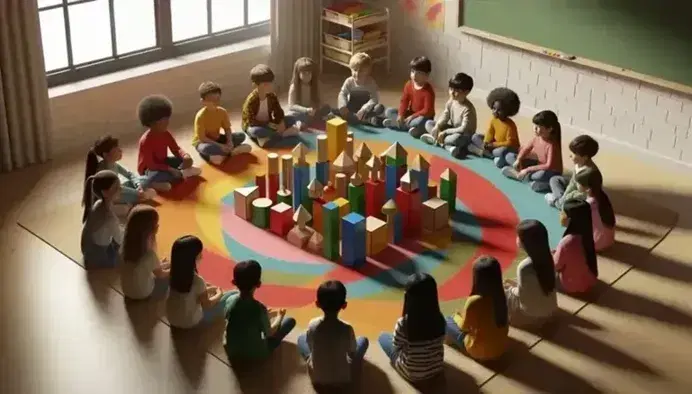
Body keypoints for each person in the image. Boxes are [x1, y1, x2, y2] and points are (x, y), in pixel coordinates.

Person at [297, 280, 369, 390]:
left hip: (317, 378)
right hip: (342, 379)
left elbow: (311, 346)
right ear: (344, 305)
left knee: (301, 338)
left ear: (317, 304)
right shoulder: (347, 328)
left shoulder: (312, 324)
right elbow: (352, 352)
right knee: (363, 340)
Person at [378, 273, 446, 382]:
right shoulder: (440, 319)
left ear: (407, 297)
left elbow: (396, 346)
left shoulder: (404, 323)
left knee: (383, 337)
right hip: (436, 368)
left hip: (412, 373)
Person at [224, 260, 296, 361]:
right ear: (258, 284)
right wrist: (280, 316)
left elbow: (236, 318)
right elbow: (269, 333)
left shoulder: (229, 300)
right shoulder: (259, 308)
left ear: (234, 282)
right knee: (290, 321)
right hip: (255, 353)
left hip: (232, 350)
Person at [446, 256, 509, 361]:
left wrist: (457, 316)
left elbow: (464, 327)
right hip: (501, 347)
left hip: (479, 351)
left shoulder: (474, 301)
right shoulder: (502, 295)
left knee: (447, 321)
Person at [166, 235, 235, 329]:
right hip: (190, 322)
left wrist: (207, 289)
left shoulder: (172, 273)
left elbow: (189, 292)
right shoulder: (198, 281)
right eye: (199, 254)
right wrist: (219, 293)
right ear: (193, 258)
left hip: (171, 318)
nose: (202, 256)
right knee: (230, 296)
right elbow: (207, 304)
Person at [137, 95, 201, 192]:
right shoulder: (145, 141)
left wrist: (185, 156)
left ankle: (180, 173)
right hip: (149, 170)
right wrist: (171, 169)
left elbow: (176, 149)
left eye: (167, 119)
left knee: (187, 161)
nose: (167, 122)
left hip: (163, 162)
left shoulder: (165, 133)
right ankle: (153, 183)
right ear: (152, 123)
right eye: (163, 121)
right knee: (168, 177)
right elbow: (152, 165)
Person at [503, 220, 558, 326]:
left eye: (518, 236)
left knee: (503, 292)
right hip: (550, 308)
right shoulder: (548, 257)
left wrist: (511, 288)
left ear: (525, 242)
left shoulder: (524, 267)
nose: (517, 238)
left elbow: (522, 294)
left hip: (530, 314)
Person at [84, 135, 156, 207]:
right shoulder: (105, 170)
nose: (120, 151)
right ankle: (126, 204)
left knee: (145, 179)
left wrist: (138, 185)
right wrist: (137, 193)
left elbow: (129, 174)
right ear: (106, 155)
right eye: (116, 150)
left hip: (119, 189)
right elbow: (117, 188)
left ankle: (132, 201)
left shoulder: (113, 164)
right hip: (114, 195)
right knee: (151, 193)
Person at [501, 110, 563, 193]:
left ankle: (523, 176)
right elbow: (525, 149)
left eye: (538, 126)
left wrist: (527, 170)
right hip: (538, 165)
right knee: (510, 156)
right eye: (534, 125)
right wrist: (518, 159)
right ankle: (523, 176)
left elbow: (548, 166)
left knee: (539, 175)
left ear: (549, 129)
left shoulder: (551, 145)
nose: (535, 128)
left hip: (550, 172)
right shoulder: (536, 139)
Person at [419, 72, 477, 158]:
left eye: (457, 91)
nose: (452, 93)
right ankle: (445, 145)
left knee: (455, 139)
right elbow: (445, 116)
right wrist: (437, 126)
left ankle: (438, 141)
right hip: (452, 129)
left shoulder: (467, 109)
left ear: (466, 92)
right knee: (429, 124)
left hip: (463, 135)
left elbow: (463, 129)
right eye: (451, 89)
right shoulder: (451, 101)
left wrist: (445, 132)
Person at [193, 81, 252, 165]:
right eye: (211, 100)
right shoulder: (200, 116)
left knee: (240, 136)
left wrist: (229, 141)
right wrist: (220, 146)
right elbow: (202, 138)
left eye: (217, 100)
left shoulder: (222, 112)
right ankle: (230, 152)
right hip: (203, 142)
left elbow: (227, 129)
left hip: (217, 138)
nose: (215, 103)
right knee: (206, 148)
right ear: (203, 101)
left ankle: (224, 154)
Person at [120, 205, 170, 300]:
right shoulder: (149, 254)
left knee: (153, 268)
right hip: (143, 294)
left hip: (126, 291)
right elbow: (161, 274)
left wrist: (162, 264)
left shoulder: (126, 247)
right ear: (152, 229)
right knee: (169, 279)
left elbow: (148, 267)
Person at [242, 64, 298, 148]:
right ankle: (281, 134)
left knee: (292, 118)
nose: (269, 86)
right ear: (255, 85)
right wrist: (271, 125)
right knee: (256, 131)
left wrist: (281, 122)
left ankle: (268, 138)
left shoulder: (272, 96)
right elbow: (251, 121)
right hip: (256, 126)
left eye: (270, 83)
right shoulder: (251, 100)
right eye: (265, 84)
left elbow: (278, 111)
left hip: (270, 123)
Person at [382, 56, 435, 137]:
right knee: (389, 111)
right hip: (410, 114)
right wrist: (401, 114)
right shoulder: (409, 84)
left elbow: (427, 110)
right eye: (413, 71)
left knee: (420, 122)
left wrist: (412, 117)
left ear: (427, 75)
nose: (415, 75)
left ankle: (401, 126)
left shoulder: (428, 91)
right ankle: (408, 127)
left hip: (423, 117)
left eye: (419, 73)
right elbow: (404, 101)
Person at [467, 87, 521, 167]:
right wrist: (486, 142)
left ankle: (486, 153)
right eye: (494, 108)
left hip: (508, 147)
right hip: (493, 144)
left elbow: (510, 143)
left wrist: (493, 145)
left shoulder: (510, 125)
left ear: (507, 111)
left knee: (501, 151)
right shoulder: (494, 120)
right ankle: (488, 153)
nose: (495, 112)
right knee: (475, 137)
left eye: (499, 110)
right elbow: (490, 132)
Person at [80, 170, 123, 268]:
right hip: (97, 257)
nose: (121, 189)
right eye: (116, 188)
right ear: (105, 193)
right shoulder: (109, 218)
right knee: (130, 256)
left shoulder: (98, 203)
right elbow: (120, 239)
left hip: (88, 250)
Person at [555, 199, 598, 294]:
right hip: (590, 280)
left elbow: (556, 266)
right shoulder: (586, 233)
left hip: (572, 285)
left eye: (563, 213)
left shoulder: (566, 242)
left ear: (570, 220)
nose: (560, 215)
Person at [546, 135, 600, 208]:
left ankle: (557, 201)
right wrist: (565, 195)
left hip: (581, 195)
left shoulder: (589, 172)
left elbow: (584, 194)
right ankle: (559, 199)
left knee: (555, 201)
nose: (570, 156)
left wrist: (567, 197)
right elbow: (572, 183)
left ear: (585, 157)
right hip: (575, 187)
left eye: (574, 153)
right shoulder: (579, 164)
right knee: (554, 180)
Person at [337, 52, 385, 126]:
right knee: (336, 110)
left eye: (361, 71)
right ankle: (364, 120)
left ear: (368, 71)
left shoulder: (371, 83)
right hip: (352, 109)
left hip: (365, 110)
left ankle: (366, 119)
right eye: (355, 70)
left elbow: (374, 98)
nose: (357, 73)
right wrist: (343, 106)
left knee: (379, 107)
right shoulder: (349, 81)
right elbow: (343, 93)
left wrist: (364, 109)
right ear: (351, 69)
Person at [575, 168, 616, 252]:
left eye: (579, 183)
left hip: (597, 244)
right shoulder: (602, 196)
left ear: (588, 189)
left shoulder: (589, 204)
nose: (577, 185)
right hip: (609, 240)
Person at [287, 57, 332, 130]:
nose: (307, 76)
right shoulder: (294, 87)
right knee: (290, 116)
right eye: (304, 73)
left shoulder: (317, 84)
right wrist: (306, 110)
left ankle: (306, 122)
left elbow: (322, 101)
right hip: (301, 112)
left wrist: (315, 108)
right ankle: (301, 123)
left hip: (313, 112)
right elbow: (291, 106)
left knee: (327, 108)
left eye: (309, 73)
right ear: (298, 73)